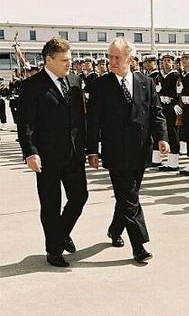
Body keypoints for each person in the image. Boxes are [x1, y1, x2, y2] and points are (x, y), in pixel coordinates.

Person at [87, 37, 169, 262]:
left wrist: (162, 138)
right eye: (109, 57)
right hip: (115, 151)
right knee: (130, 197)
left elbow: (156, 113)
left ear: (130, 59)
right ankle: (139, 244)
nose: (111, 61)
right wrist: (92, 150)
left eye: (117, 57)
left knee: (128, 196)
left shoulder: (146, 83)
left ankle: (115, 229)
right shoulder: (100, 85)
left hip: (140, 149)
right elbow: (92, 121)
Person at [17, 37, 88, 267]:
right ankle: (53, 250)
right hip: (46, 157)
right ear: (49, 60)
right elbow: (25, 123)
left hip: (74, 153)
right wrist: (30, 152)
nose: (70, 64)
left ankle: (60, 233)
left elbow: (80, 118)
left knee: (79, 196)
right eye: (64, 60)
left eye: (70, 59)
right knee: (50, 204)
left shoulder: (76, 81)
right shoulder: (31, 86)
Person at [156, 52, 182, 171]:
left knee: (173, 133)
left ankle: (174, 161)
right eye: (164, 61)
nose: (166, 63)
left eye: (168, 61)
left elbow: (179, 91)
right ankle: (169, 160)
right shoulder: (160, 76)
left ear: (172, 63)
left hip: (172, 107)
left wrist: (176, 103)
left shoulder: (176, 75)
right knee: (166, 132)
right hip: (163, 106)